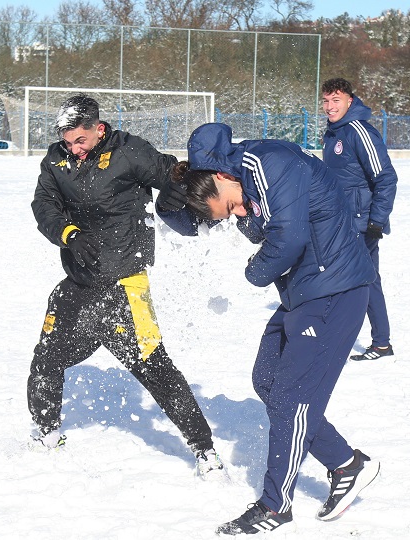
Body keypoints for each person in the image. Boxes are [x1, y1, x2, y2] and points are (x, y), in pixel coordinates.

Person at [156, 123, 381, 535]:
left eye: (230, 207)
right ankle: (347, 463)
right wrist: (176, 191)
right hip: (304, 293)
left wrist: (253, 273)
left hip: (336, 290)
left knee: (292, 400)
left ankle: (275, 507)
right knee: (268, 381)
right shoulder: (241, 184)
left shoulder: (268, 161)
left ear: (224, 177)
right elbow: (189, 222)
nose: (237, 215)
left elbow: (289, 238)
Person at [27, 94, 223, 477]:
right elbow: (44, 206)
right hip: (79, 282)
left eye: (79, 141)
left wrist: (207, 199)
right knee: (47, 357)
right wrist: (68, 233)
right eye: (67, 142)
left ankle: (205, 452)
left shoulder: (130, 152)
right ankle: (47, 433)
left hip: (125, 283)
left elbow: (174, 176)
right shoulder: (55, 159)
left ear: (98, 130)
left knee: (155, 369)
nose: (73, 149)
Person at [321, 78, 399, 361]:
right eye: (326, 101)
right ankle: (380, 343)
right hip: (340, 221)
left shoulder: (358, 131)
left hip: (361, 223)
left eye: (336, 101)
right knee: (364, 281)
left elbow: (386, 177)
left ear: (350, 101)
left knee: (351, 281)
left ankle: (371, 342)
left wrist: (376, 221)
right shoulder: (333, 132)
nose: (330, 107)